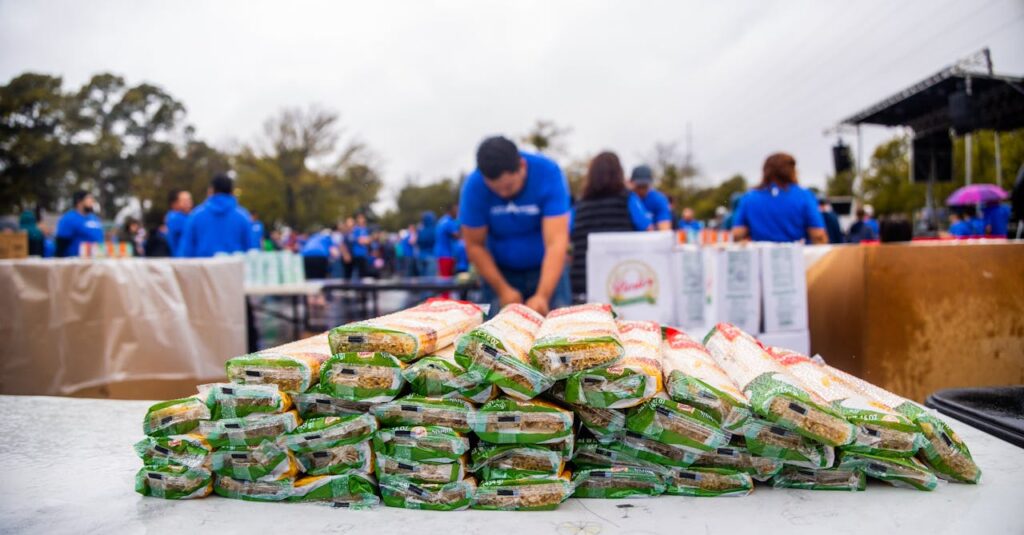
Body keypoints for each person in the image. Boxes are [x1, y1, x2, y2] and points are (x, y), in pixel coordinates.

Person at [459, 135, 572, 315]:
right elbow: (474, 245)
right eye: (496, 189)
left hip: (546, 269)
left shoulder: (548, 173)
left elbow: (557, 241)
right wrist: (503, 289)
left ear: (522, 166)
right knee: (493, 337)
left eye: (509, 186)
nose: (503, 194)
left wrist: (542, 295)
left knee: (560, 330)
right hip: (500, 272)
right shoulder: (473, 186)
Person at [569, 151, 652, 296]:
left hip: (583, 284)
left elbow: (566, 238)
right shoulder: (628, 199)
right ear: (619, 173)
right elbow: (649, 231)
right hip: (622, 285)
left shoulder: (579, 205)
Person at [732, 153, 826, 244]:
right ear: (791, 171)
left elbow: (737, 234)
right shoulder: (804, 196)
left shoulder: (749, 198)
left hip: (762, 256)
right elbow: (818, 235)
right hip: (795, 257)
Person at [178, 174, 254, 257]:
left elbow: (185, 251)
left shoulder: (195, 216)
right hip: (234, 268)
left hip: (203, 268)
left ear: (211, 190)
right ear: (231, 192)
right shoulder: (243, 216)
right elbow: (251, 249)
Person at [56, 190, 104, 257]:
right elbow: (61, 243)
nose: (92, 201)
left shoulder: (94, 218)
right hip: (77, 262)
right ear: (79, 202)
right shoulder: (69, 218)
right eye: (89, 198)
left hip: (96, 261)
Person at [628, 164, 673, 230]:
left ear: (650, 183)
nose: (641, 190)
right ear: (631, 183)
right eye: (639, 186)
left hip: (652, 238)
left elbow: (664, 228)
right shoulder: (626, 198)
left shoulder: (659, 200)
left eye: (644, 186)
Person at [435, 204, 460, 277]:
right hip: (446, 255)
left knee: (443, 278)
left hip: (441, 254)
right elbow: (457, 236)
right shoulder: (449, 222)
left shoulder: (442, 220)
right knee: (446, 281)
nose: (457, 213)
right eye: (456, 211)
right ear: (451, 211)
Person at [165, 189, 193, 256]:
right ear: (178, 203)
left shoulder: (190, 217)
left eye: (189, 200)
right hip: (180, 258)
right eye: (184, 201)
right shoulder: (175, 218)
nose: (187, 203)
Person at [348, 213, 372, 279]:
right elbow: (360, 241)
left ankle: (362, 288)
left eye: (362, 218)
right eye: (359, 218)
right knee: (356, 272)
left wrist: (366, 240)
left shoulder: (365, 229)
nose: (361, 220)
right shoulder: (356, 229)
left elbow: (368, 241)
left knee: (363, 273)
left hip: (364, 254)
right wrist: (365, 240)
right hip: (357, 254)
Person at [416, 211, 437, 277]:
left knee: (422, 281)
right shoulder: (434, 230)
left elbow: (417, 242)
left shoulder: (420, 230)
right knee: (430, 282)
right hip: (431, 256)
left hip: (420, 256)